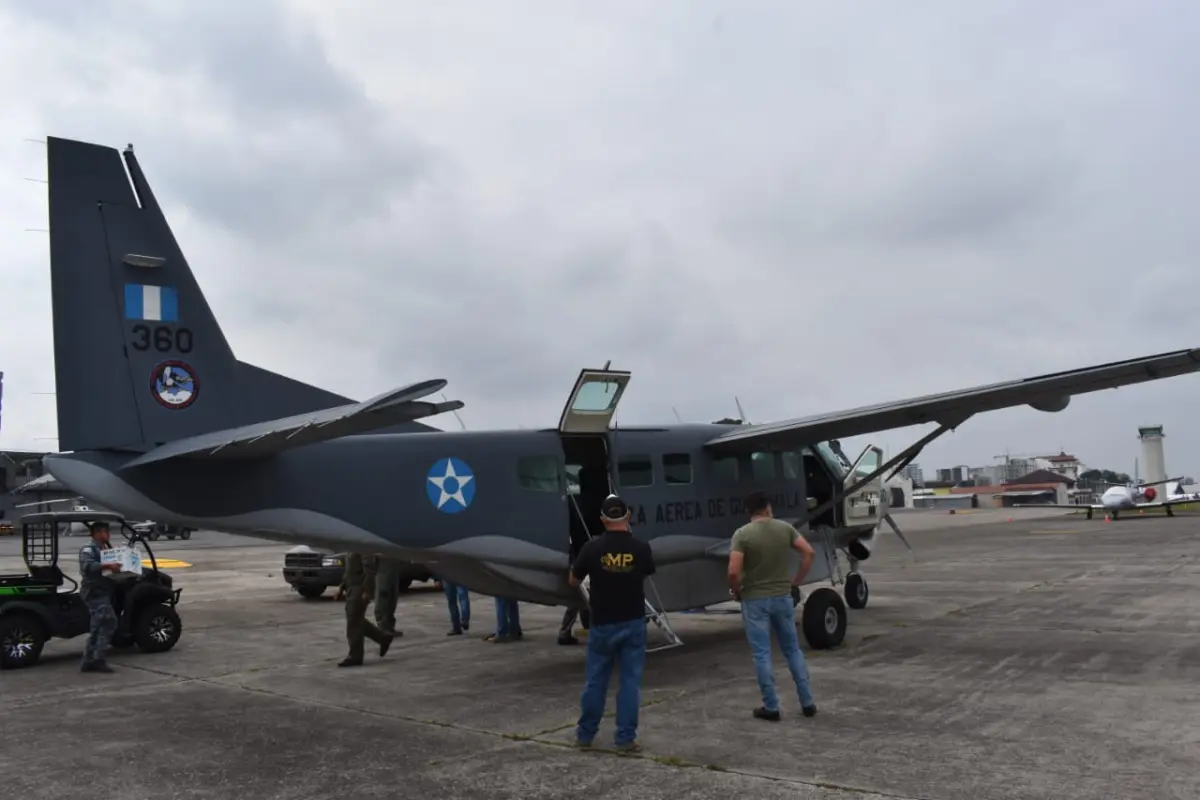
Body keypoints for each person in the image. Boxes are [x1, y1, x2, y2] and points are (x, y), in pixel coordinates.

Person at [570, 493, 656, 752]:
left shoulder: (591, 548)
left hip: (602, 623)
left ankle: (585, 736)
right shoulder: (641, 548)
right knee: (630, 683)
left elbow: (573, 580)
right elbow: (648, 571)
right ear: (627, 516)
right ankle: (625, 738)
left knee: (596, 681)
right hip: (632, 621)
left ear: (602, 519)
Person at [728, 490, 818, 721]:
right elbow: (808, 553)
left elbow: (733, 571)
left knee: (762, 654)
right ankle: (807, 702)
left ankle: (771, 706)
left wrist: (737, 590)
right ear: (767, 508)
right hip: (782, 596)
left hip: (754, 599)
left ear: (749, 512)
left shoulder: (742, 534)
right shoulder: (785, 528)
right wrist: (795, 582)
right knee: (792, 650)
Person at [79, 521, 123, 673]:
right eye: (105, 532)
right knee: (109, 621)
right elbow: (88, 566)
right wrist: (107, 566)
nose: (107, 535)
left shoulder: (103, 550)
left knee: (98, 626)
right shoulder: (88, 549)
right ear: (97, 533)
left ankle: (89, 660)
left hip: (102, 591)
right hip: (94, 592)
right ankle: (97, 658)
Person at [337, 552, 395, 667]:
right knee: (357, 620)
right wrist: (341, 587)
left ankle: (355, 656)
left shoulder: (363, 548)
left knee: (353, 621)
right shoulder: (350, 548)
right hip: (350, 587)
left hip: (360, 588)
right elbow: (348, 571)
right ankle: (383, 638)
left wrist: (367, 590)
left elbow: (370, 570)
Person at [373, 557, 405, 638]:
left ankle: (389, 627)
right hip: (382, 571)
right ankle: (382, 628)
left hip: (393, 570)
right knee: (383, 599)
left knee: (392, 600)